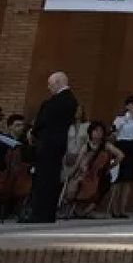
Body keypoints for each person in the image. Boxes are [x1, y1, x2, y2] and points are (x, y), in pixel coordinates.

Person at [25, 72, 79, 224]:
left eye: (50, 84)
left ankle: (40, 214)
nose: (48, 88)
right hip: (58, 144)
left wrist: (33, 131)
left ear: (58, 82)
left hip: (49, 144)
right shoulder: (70, 99)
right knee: (51, 179)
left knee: (44, 180)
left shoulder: (58, 100)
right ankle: (46, 214)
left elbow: (44, 119)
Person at [61, 120, 125, 219]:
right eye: (95, 131)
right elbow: (78, 163)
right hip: (87, 173)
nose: (98, 133)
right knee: (75, 183)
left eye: (100, 131)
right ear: (90, 132)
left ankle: (86, 211)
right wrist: (71, 174)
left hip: (101, 174)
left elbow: (120, 155)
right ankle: (70, 207)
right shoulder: (86, 146)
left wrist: (110, 167)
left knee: (103, 185)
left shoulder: (106, 145)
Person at [108, 94, 133, 218]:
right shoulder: (120, 119)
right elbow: (113, 135)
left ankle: (123, 209)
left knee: (128, 181)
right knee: (117, 180)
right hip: (121, 147)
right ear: (127, 106)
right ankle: (114, 209)